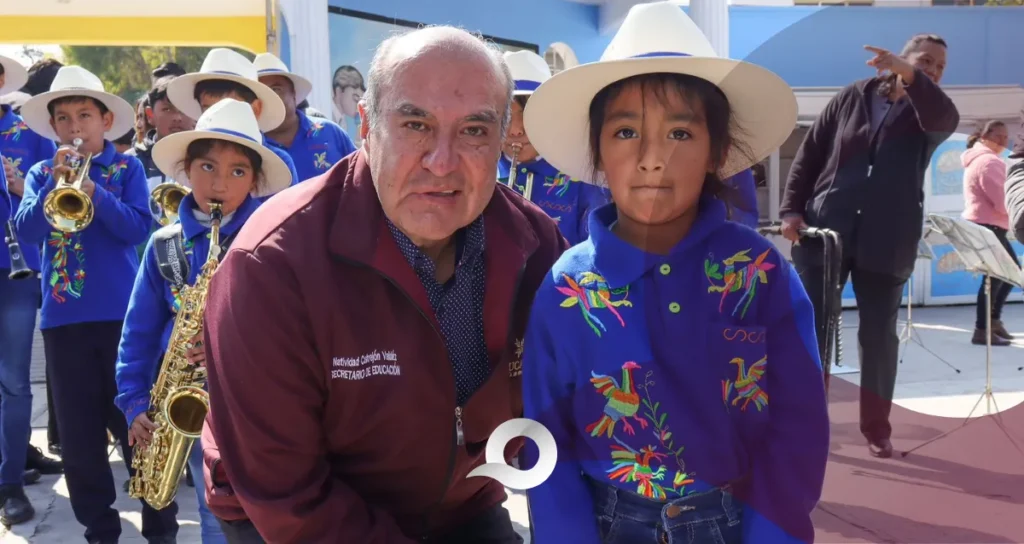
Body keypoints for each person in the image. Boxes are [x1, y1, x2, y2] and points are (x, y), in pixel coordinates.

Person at [199, 26, 568, 543]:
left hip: (460, 500)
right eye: (415, 124)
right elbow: (286, 491)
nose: (442, 162)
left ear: (503, 139)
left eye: (474, 131)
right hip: (289, 516)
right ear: (367, 127)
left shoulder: (534, 245)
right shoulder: (271, 266)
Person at [519, 3, 829, 543]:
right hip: (608, 523)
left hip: (732, 520)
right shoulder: (568, 289)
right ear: (597, 152)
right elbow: (548, 438)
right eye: (624, 133)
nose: (652, 158)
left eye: (681, 134)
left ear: (718, 150)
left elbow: (798, 424)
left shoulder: (759, 275)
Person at [15, 65, 179, 544]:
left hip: (123, 322)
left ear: (106, 122)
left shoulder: (126, 169)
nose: (74, 127)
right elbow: (25, 232)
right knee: (81, 441)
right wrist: (54, 186)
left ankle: (160, 528)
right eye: (63, 118)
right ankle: (100, 531)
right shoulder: (42, 172)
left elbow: (137, 229)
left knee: (139, 427)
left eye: (84, 115)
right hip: (64, 323)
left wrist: (92, 192)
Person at [115, 99, 291, 544]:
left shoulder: (273, 240)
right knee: (216, 513)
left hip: (262, 402)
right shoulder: (163, 246)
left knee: (276, 507)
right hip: (191, 404)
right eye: (207, 167)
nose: (218, 183)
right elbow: (136, 331)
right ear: (185, 169)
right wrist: (134, 401)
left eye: (237, 172)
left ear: (254, 180)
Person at [779, 34, 959, 459]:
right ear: (904, 55)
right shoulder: (853, 96)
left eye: (939, 67)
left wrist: (912, 76)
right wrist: (791, 210)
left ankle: (877, 428)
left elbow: (943, 118)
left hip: (889, 238)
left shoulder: (931, 111)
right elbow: (812, 152)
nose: (933, 70)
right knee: (813, 330)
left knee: (879, 338)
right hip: (826, 232)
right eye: (926, 60)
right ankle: (807, 422)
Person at [1, 54, 65, 492]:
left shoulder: (28, 131)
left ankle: (10, 485)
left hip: (16, 272)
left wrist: (21, 186)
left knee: (14, 381)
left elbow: (56, 196)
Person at [499, 50, 610, 246]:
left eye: (527, 115)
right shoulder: (480, 172)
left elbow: (594, 250)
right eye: (506, 116)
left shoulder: (581, 177)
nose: (516, 130)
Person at [166, 48, 299, 193]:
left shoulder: (280, 162)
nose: (219, 116)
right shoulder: (189, 155)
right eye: (209, 109)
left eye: (230, 107)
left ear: (256, 109)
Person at [254, 53, 357, 181]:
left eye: (276, 89)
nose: (270, 98)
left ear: (294, 94)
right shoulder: (251, 146)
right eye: (261, 92)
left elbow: (360, 176)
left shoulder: (330, 132)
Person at [961, 120, 1018, 345]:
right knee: (997, 278)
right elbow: (1003, 202)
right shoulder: (988, 162)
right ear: (985, 137)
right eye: (998, 137)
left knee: (1004, 276)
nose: (1003, 142)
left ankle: (991, 323)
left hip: (986, 225)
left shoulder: (979, 160)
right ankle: (982, 328)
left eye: (1006, 138)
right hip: (989, 227)